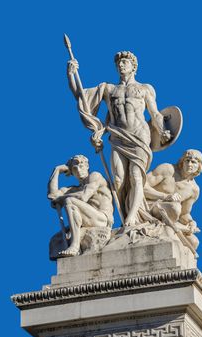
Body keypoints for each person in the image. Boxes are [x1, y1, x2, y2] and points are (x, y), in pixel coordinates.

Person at [67, 51, 171, 226]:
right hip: (117, 137)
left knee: (136, 176)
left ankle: (132, 218)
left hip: (139, 136)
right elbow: (82, 97)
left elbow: (155, 114)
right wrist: (71, 74)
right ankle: (127, 215)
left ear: (133, 67)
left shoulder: (145, 88)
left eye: (125, 62)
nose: (121, 65)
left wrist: (163, 131)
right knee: (118, 180)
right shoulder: (109, 89)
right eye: (119, 63)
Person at [48, 155, 113, 256]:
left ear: (87, 166)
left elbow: (84, 196)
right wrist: (57, 170)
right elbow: (53, 196)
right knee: (56, 240)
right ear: (71, 172)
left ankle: (74, 246)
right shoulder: (73, 190)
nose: (78, 170)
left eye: (81, 165)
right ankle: (74, 244)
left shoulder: (95, 176)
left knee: (70, 200)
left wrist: (61, 198)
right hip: (88, 221)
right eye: (74, 168)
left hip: (103, 219)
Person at [144, 149, 202, 242]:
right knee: (175, 207)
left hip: (171, 216)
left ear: (199, 166)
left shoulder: (194, 190)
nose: (189, 164)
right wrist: (165, 196)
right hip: (149, 207)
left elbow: (184, 214)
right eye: (187, 160)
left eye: (193, 162)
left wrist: (191, 222)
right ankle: (167, 231)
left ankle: (172, 229)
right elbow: (142, 187)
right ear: (182, 161)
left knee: (193, 242)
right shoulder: (167, 169)